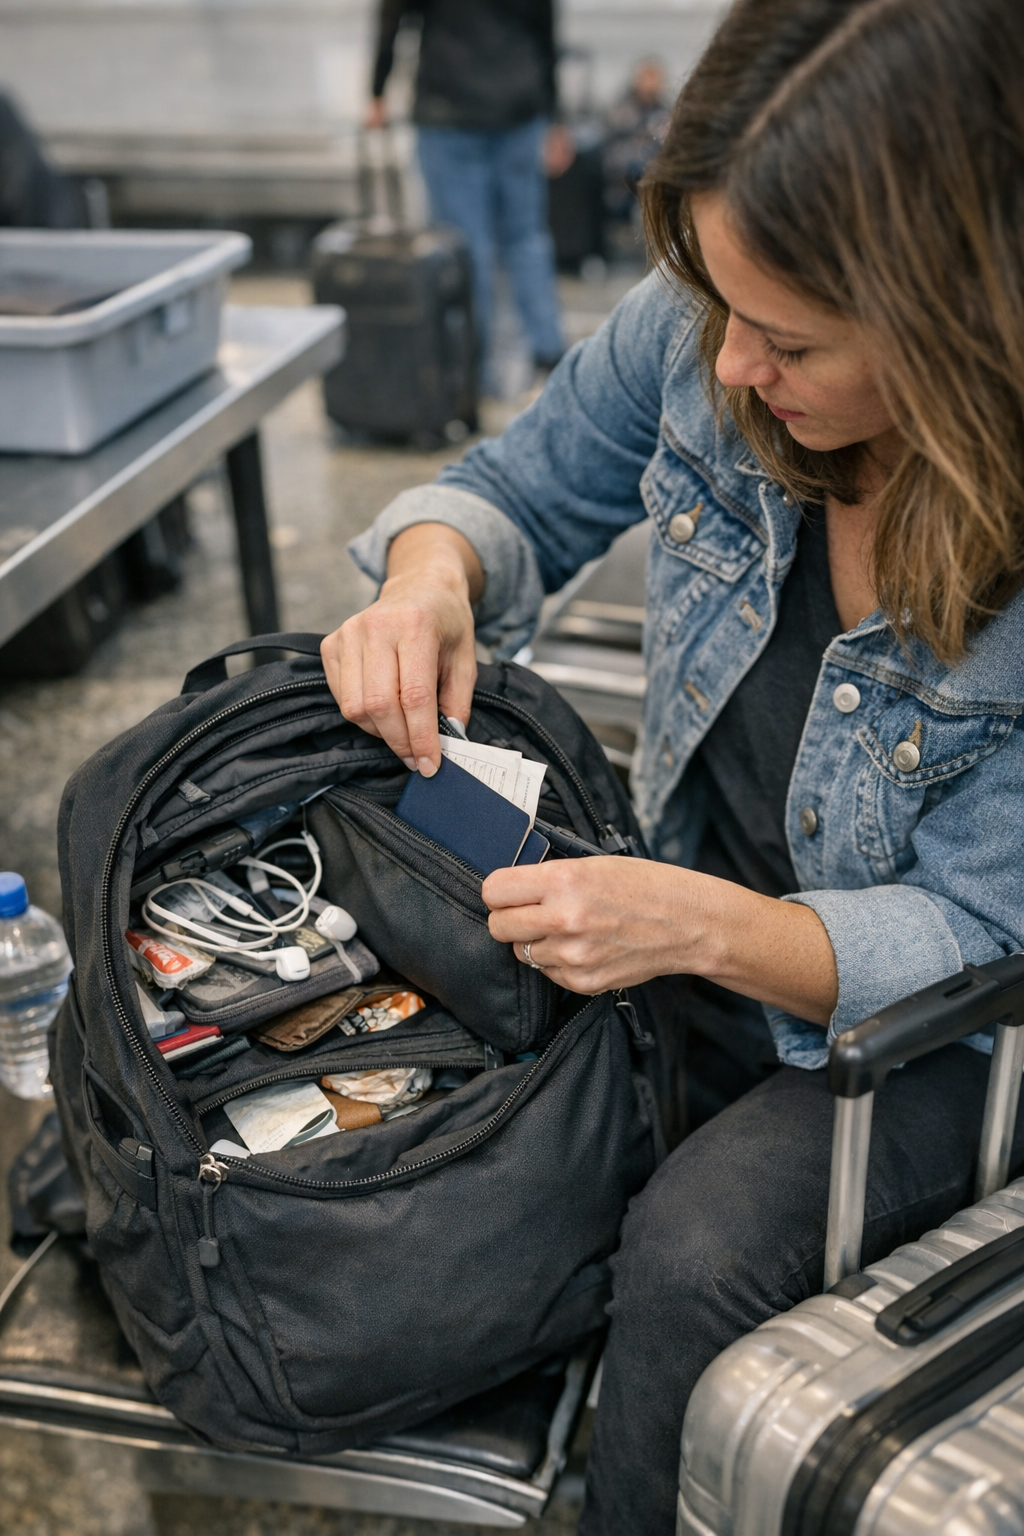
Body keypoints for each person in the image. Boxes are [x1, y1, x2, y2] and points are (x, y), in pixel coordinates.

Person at [328, 0, 1024, 1529]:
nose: (725, 364)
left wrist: (700, 926)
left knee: (702, 1244)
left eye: (788, 343)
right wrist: (427, 579)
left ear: (974, 321)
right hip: (696, 910)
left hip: (949, 1033)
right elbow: (513, 482)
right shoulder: (711, 329)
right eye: (710, 302)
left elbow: (987, 934)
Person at [368, 0, 569, 392]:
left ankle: (473, 370)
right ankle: (550, 352)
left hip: (449, 108)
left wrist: (377, 90)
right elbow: (546, 32)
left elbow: (394, 15)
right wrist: (555, 116)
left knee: (466, 248)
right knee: (525, 238)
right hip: (519, 106)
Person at [602, 58, 672, 225]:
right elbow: (609, 150)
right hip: (621, 186)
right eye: (646, 78)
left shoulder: (664, 112)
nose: (650, 85)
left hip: (654, 187)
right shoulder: (620, 110)